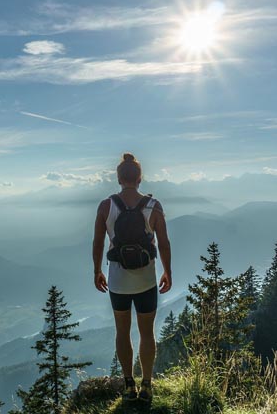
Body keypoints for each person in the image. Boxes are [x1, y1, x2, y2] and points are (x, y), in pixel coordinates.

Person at [92, 152, 172, 403]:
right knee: (147, 333)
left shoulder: (106, 206)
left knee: (122, 332)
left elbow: (97, 241)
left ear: (118, 178)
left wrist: (97, 270)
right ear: (139, 178)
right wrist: (168, 271)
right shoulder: (153, 206)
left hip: (118, 281)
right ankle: (147, 385)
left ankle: (128, 386)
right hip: (146, 280)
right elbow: (164, 243)